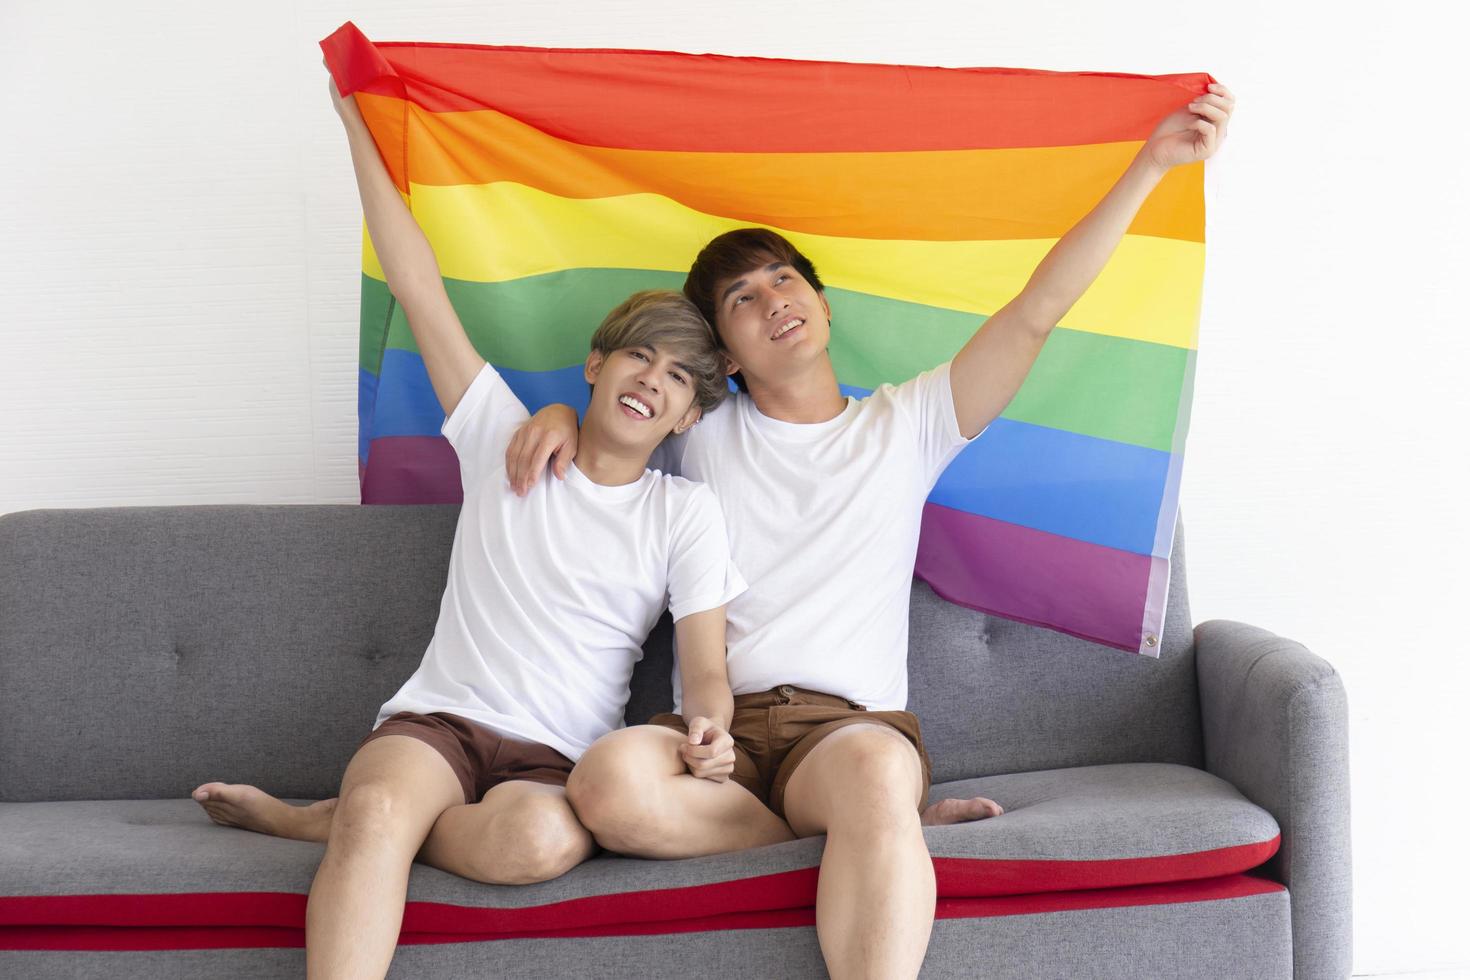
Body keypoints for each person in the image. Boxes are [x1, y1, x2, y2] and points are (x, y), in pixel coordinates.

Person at [505, 83, 1237, 978]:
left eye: (785, 277)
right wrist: (550, 414)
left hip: (843, 735)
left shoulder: (908, 424)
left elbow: (1036, 309)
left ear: (818, 300)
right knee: (604, 785)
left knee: (875, 779)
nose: (773, 296)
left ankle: (871, 815)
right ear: (724, 359)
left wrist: (1150, 166)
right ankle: (854, 833)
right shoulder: (702, 430)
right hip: (720, 738)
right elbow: (618, 421)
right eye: (742, 296)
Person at [191, 75, 764, 980]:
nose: (653, 379)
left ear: (688, 418)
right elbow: (418, 287)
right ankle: (366, 811)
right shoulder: (506, 435)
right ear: (597, 363)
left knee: (535, 845)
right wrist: (356, 124)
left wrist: (710, 730)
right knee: (384, 812)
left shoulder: (683, 513)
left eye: (680, 379)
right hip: (442, 725)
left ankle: (327, 814)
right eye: (639, 355)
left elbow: (705, 670)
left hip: (555, 763)